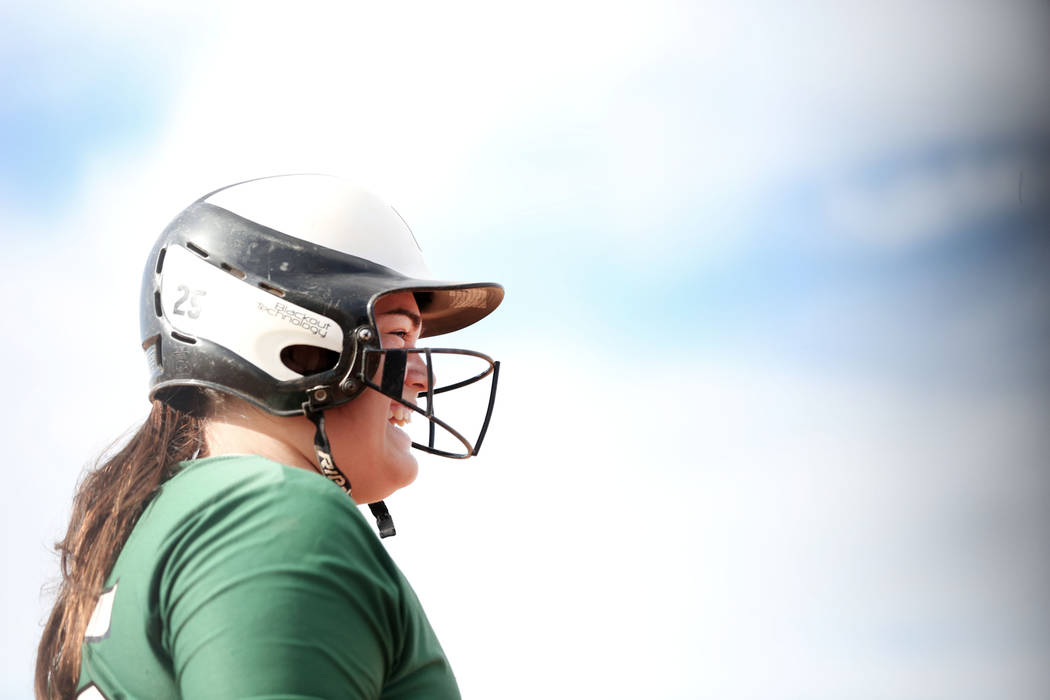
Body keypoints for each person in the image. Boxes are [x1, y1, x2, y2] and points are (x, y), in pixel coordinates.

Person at [35, 174, 503, 699]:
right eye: (397, 335)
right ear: (296, 341)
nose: (423, 376)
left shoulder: (165, 531)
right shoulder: (279, 517)